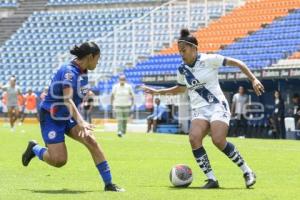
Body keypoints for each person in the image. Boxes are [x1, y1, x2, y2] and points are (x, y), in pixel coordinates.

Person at [141, 29, 264, 189]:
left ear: (194, 48)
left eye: (184, 50)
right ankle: (211, 179)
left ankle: (247, 171)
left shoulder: (210, 59)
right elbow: (180, 88)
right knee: (194, 138)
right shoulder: (182, 70)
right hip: (199, 110)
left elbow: (239, 63)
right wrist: (159, 91)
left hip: (217, 105)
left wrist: (253, 79)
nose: (181, 54)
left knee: (218, 140)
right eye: (179, 52)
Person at [21, 42, 124, 192]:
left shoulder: (83, 72)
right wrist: (81, 121)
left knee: (92, 141)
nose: (98, 62)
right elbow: (67, 99)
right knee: (59, 161)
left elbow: (77, 93)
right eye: (98, 58)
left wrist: (87, 93)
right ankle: (35, 149)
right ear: (90, 56)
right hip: (52, 116)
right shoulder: (69, 71)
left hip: (67, 115)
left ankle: (109, 184)